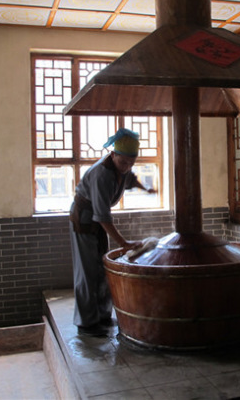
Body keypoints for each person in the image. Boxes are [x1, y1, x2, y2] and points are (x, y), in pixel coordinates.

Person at [69, 128, 154, 337]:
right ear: (113, 154)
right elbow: (103, 217)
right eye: (123, 162)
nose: (127, 167)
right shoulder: (101, 174)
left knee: (102, 267)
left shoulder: (121, 170)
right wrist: (124, 243)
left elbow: (131, 179)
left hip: (96, 222)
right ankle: (87, 323)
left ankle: (103, 316)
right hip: (84, 221)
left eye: (131, 163)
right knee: (87, 271)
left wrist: (147, 189)